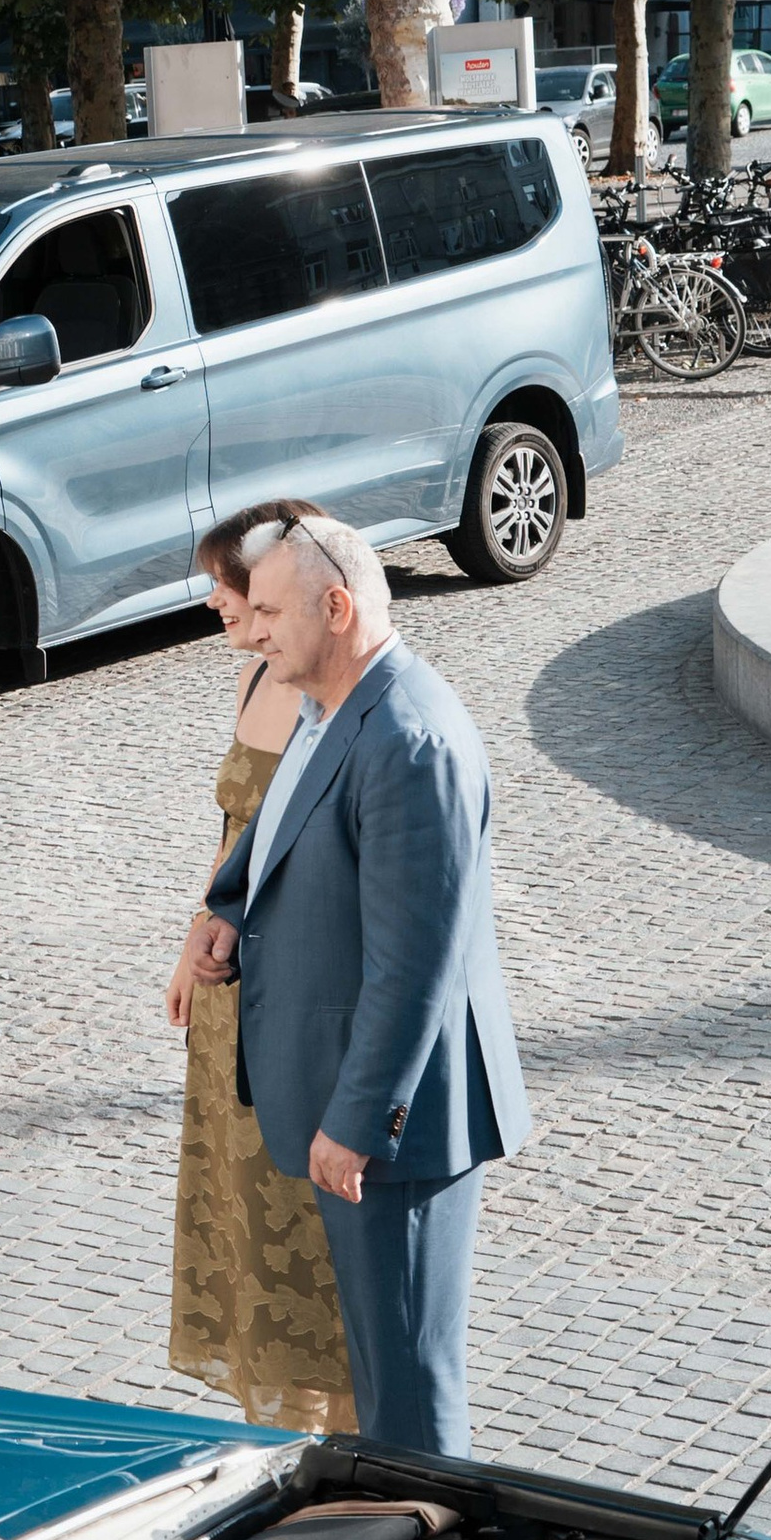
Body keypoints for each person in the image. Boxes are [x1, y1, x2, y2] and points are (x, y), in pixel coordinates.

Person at [174, 504, 528, 1458]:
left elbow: (417, 964)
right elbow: (284, 833)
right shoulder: (333, 706)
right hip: (341, 1096)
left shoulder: (409, 740)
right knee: (374, 1372)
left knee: (406, 1385)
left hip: (396, 1130)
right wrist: (230, 916)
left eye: (271, 614)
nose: (253, 629)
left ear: (336, 608)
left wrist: (360, 1121)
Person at [163, 512, 357, 1434]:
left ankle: (344, 1437)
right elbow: (235, 838)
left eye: (230, 588)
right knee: (242, 1220)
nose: (215, 602)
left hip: (289, 998)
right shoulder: (255, 675)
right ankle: (280, 1437)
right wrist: (192, 936)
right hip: (227, 995)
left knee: (303, 1234)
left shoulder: (328, 695)